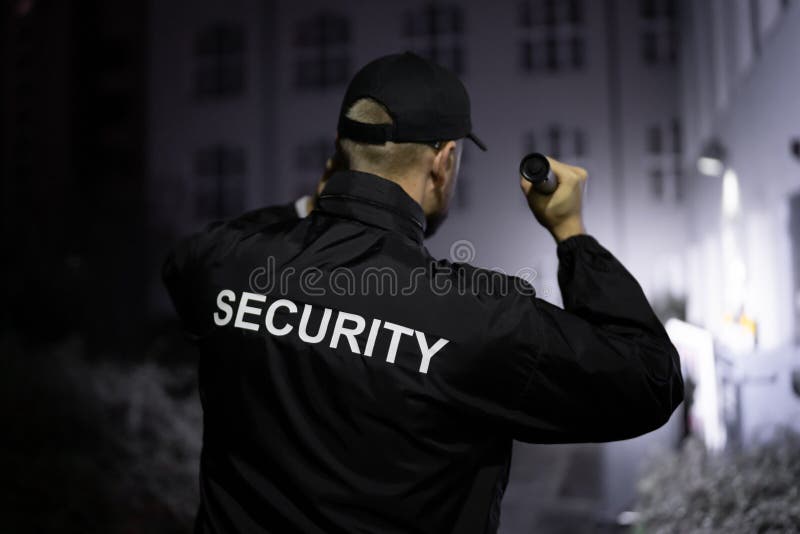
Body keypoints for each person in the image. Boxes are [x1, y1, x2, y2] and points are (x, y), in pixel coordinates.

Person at [163, 51, 684, 534]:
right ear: (443, 161)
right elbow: (649, 378)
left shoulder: (229, 266)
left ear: (342, 153)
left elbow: (185, 259)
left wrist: (309, 209)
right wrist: (572, 234)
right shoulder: (477, 315)